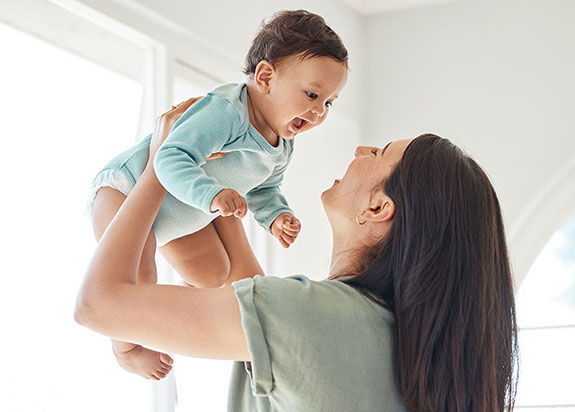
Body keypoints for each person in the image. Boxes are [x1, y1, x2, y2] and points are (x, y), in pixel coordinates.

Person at [76, 97, 519, 411]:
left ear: (379, 207)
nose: (362, 150)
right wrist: (220, 177)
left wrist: (160, 162)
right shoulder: (396, 339)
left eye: (380, 153)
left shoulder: (310, 315)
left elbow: (98, 305)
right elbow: (244, 287)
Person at [86, 9, 348, 379]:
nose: (319, 111)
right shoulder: (226, 112)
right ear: (266, 76)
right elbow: (171, 156)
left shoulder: (282, 144)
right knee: (139, 282)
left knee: (213, 274)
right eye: (312, 94)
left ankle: (171, 312)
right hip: (126, 191)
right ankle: (125, 349)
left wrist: (275, 216)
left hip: (180, 211)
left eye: (328, 103)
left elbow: (265, 188)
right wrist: (212, 196)